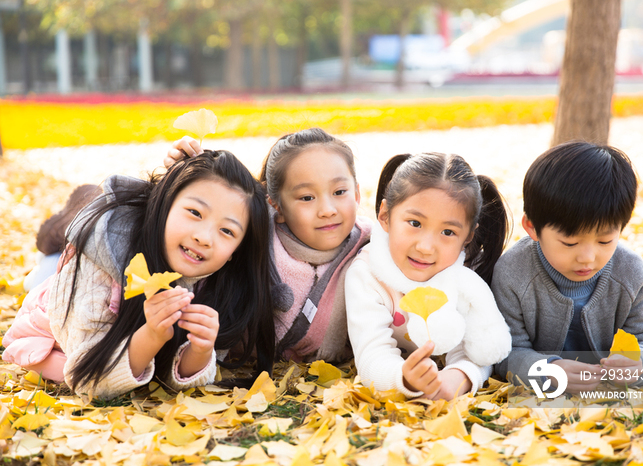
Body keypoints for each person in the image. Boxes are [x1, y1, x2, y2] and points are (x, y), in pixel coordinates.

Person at [3, 151, 275, 399]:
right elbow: (87, 379)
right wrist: (152, 336)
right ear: (165, 204)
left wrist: (201, 351)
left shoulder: (222, 282)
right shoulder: (101, 267)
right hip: (58, 309)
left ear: (235, 253)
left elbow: (173, 378)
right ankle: (60, 233)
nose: (204, 238)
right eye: (194, 212)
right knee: (41, 275)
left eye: (227, 231)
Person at [166, 128, 372, 363]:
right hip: (210, 347)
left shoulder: (369, 248)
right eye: (306, 197)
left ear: (356, 193)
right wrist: (181, 172)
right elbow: (219, 201)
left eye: (339, 192)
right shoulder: (255, 231)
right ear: (276, 206)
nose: (327, 210)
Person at [492, 141, 643, 394]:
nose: (587, 258)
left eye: (604, 241)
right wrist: (548, 371)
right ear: (532, 227)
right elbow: (504, 353)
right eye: (570, 242)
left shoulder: (629, 272)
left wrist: (639, 366)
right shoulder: (512, 273)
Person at [344, 152, 512, 400]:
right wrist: (404, 378)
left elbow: (480, 348)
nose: (426, 247)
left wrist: (459, 377)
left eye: (447, 231)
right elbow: (371, 355)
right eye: (414, 223)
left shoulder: (463, 277)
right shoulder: (368, 274)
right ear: (385, 215)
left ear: (467, 236)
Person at [23, 184, 101, 291]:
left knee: (43, 258)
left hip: (41, 291)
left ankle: (36, 275)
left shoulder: (58, 229)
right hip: (61, 292)